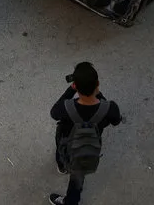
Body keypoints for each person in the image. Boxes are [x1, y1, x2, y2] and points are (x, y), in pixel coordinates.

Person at [49, 62, 122, 205]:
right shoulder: (109, 108)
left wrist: (70, 91)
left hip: (66, 142)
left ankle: (62, 167)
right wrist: (98, 94)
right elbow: (115, 121)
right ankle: (71, 202)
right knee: (78, 178)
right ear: (97, 84)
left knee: (61, 150)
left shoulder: (67, 107)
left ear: (76, 87)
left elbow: (54, 113)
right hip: (87, 150)